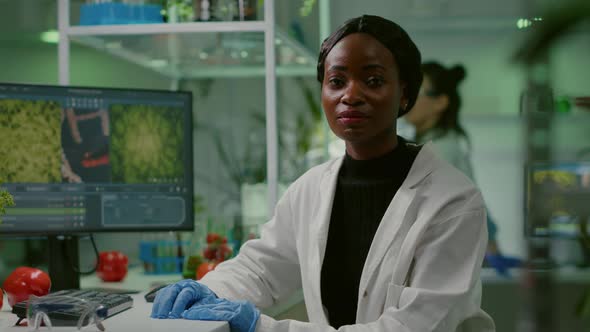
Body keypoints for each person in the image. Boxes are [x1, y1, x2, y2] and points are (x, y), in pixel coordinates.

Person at [151, 15, 496, 332]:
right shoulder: (311, 190)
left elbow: (411, 327)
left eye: (373, 80)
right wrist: (205, 290)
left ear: (404, 94)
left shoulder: (453, 201)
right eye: (337, 80)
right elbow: (261, 268)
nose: (351, 95)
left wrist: (262, 327)